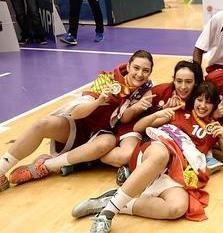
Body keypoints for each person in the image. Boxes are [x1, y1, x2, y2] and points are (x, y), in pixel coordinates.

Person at [75, 81, 223, 233]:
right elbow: (138, 127)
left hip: (176, 172)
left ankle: (109, 202)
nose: (202, 105)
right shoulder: (178, 112)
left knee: (177, 208)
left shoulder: (214, 129)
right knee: (161, 154)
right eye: (199, 99)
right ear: (193, 100)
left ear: (214, 105)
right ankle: (107, 214)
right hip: (154, 153)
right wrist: (157, 115)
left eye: (208, 102)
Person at [0, 50, 154, 191]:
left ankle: (46, 166)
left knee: (106, 143)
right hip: (80, 125)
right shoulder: (106, 79)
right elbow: (76, 114)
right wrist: (99, 101)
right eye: (136, 68)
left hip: (103, 135)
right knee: (42, 124)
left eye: (145, 70)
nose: (140, 74)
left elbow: (127, 119)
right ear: (128, 66)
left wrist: (136, 108)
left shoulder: (146, 91)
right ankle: (1, 170)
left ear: (150, 73)